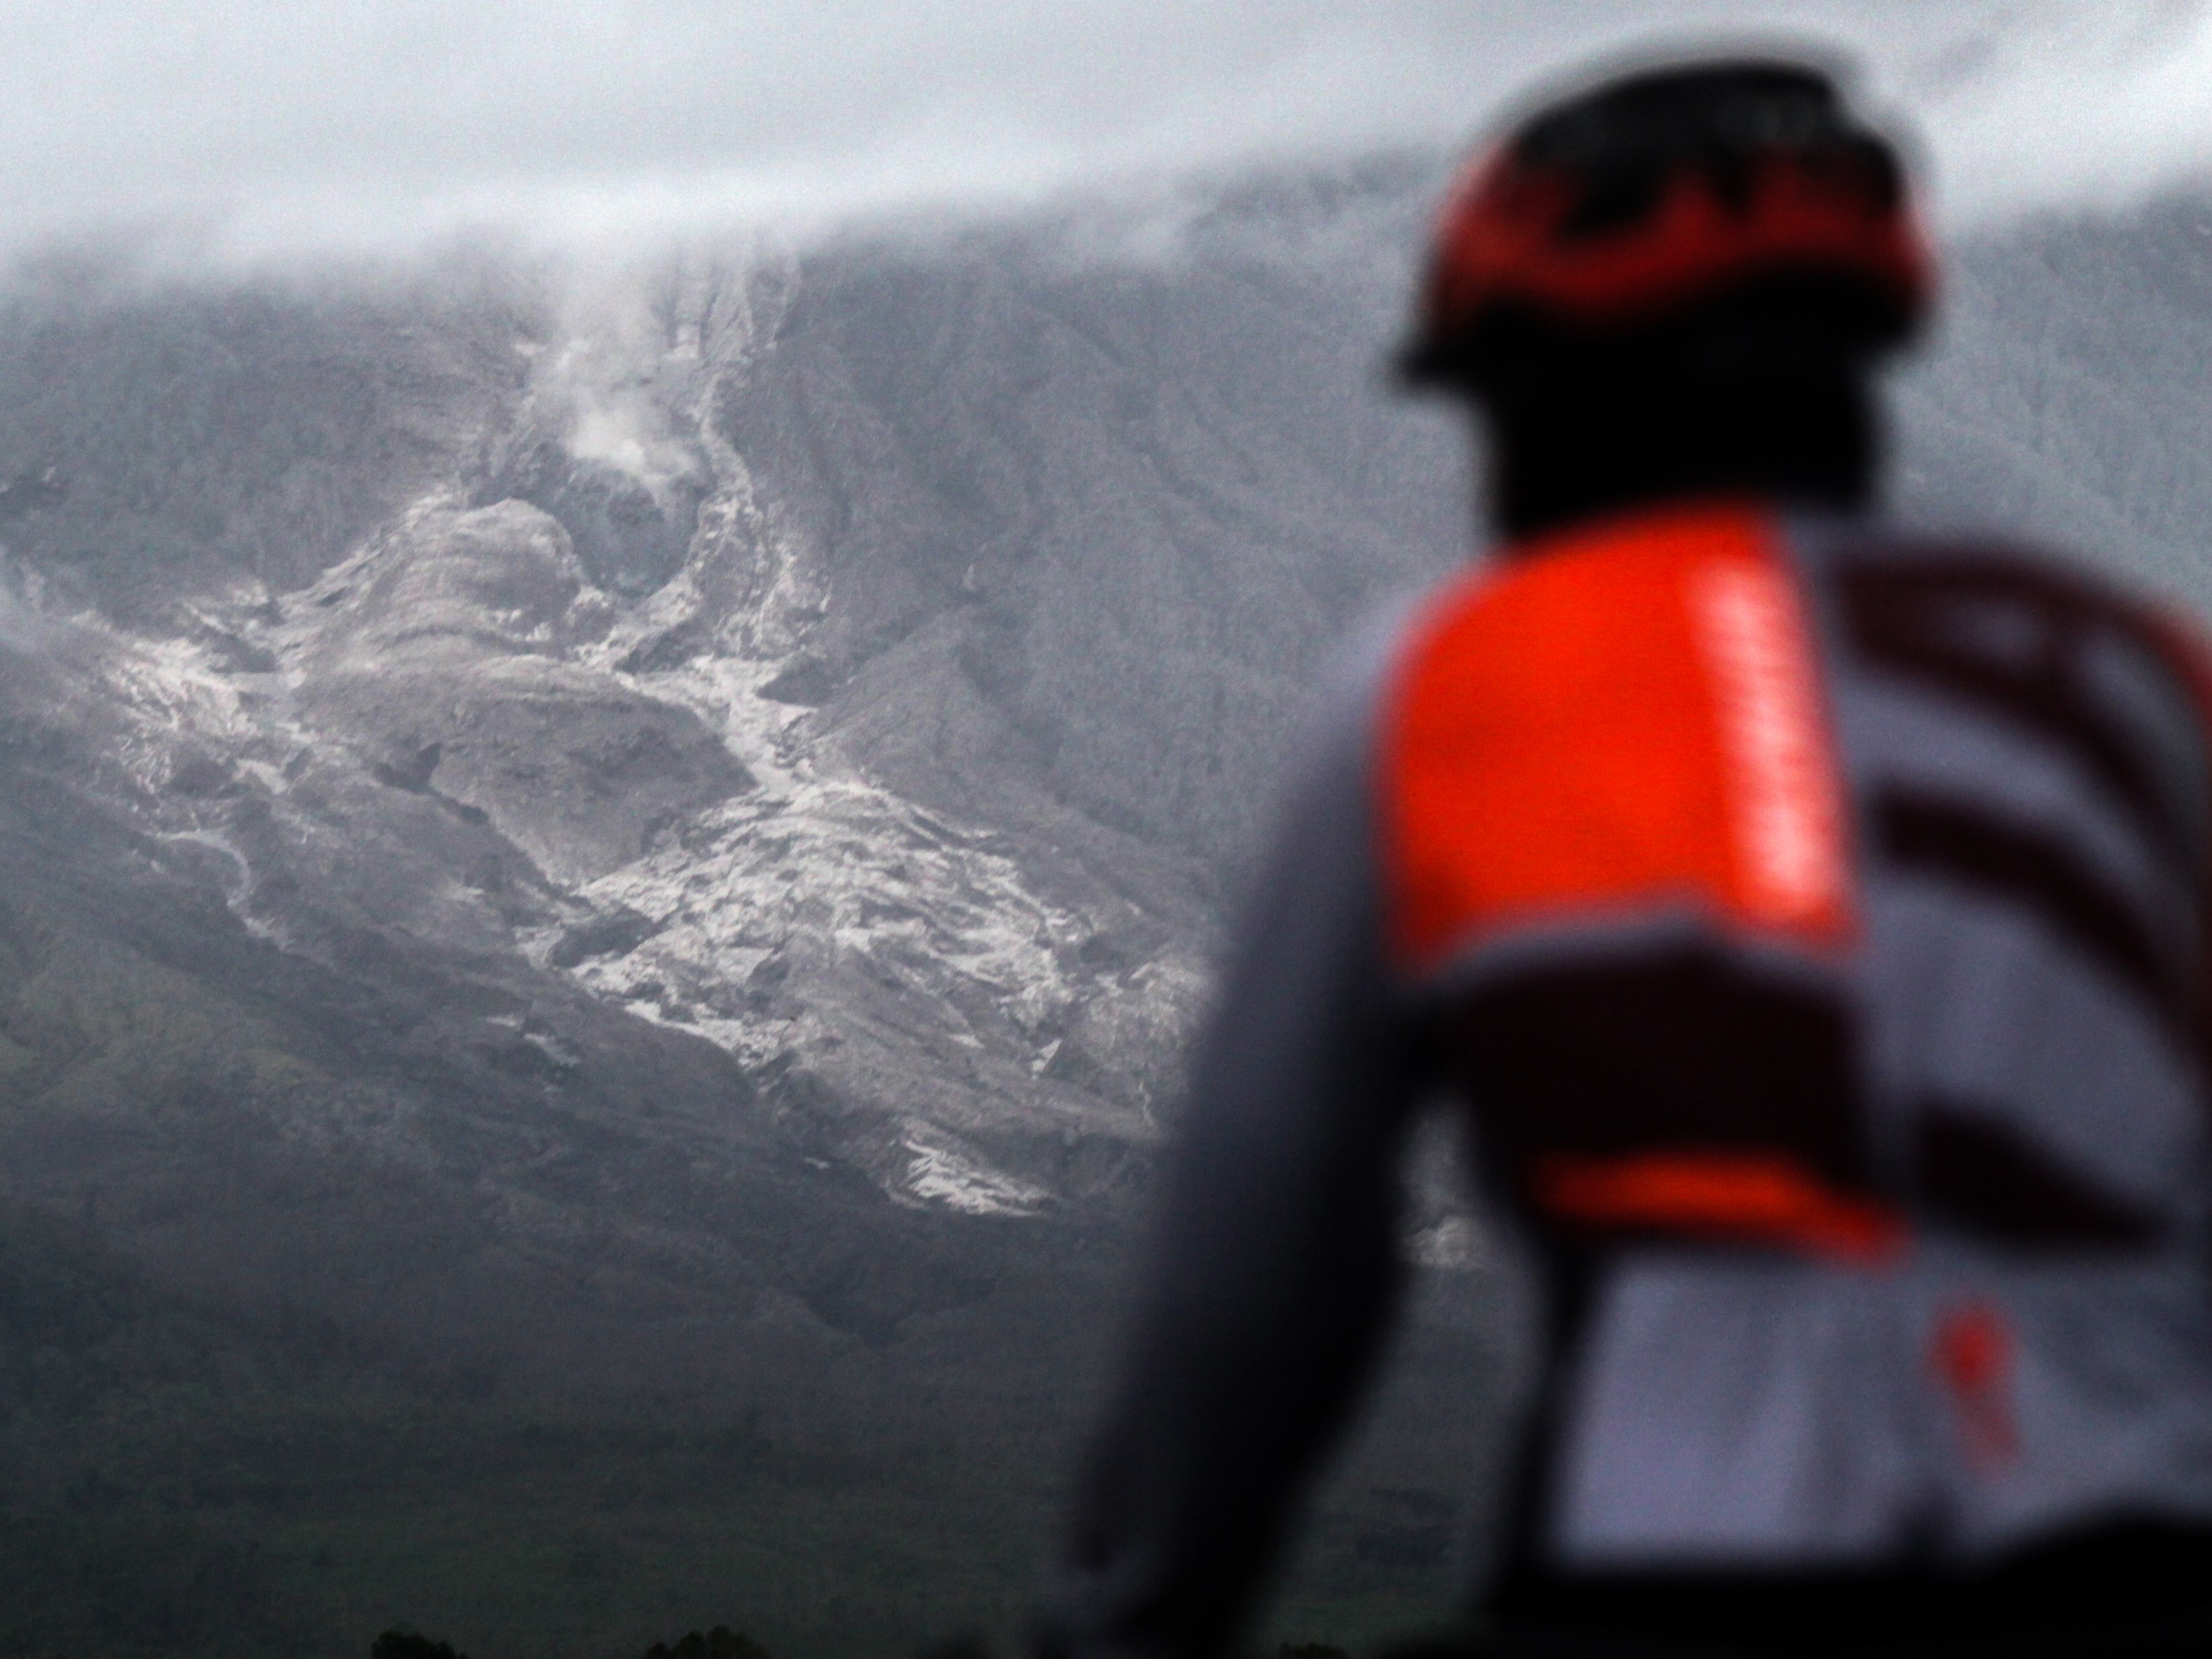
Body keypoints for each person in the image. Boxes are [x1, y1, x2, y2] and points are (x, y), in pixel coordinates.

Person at [1034, 54, 2212, 1659]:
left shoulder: (1459, 678)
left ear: (1561, 390)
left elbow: (1274, 1226)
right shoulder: (2145, 674)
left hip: (1697, 1552)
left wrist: (1133, 1619)